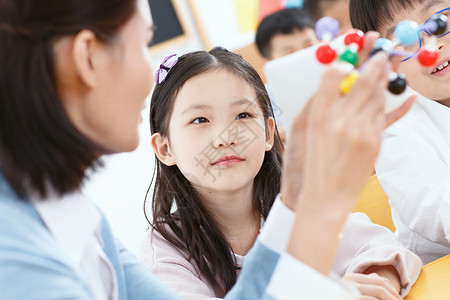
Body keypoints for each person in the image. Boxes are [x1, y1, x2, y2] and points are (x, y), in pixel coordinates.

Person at [0, 0, 414, 299]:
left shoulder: (81, 221)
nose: (226, 137)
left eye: (243, 117)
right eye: (145, 44)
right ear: (88, 57)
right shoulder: (17, 254)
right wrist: (321, 195)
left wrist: (304, 191)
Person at [140, 46, 421, 300]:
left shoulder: (285, 207)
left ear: (268, 133)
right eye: (200, 119)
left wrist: (374, 283)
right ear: (164, 148)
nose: (225, 138)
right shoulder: (164, 253)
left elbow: (380, 248)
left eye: (243, 115)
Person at [349, 0, 450, 264]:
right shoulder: (396, 129)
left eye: (441, 22)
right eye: (405, 40)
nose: (432, 46)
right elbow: (435, 214)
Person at [255, 8, 318, 143]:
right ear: (268, 65)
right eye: (290, 54)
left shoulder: (338, 75)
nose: (303, 58)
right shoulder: (263, 101)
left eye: (309, 46)